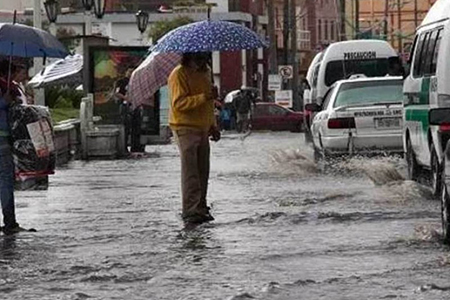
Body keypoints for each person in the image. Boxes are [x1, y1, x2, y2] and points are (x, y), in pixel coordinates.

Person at [168, 52, 220, 224]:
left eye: (205, 58)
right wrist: (204, 96)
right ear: (191, 56)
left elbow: (208, 103)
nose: (203, 62)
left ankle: (201, 205)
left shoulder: (206, 72)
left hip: (203, 127)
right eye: (200, 58)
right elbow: (179, 103)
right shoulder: (179, 74)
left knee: (202, 170)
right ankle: (191, 210)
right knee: (191, 172)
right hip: (184, 127)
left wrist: (213, 124)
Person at [0, 61, 29, 235]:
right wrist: (5, 101)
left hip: (6, 138)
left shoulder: (9, 87)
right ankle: (10, 223)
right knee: (5, 181)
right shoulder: (3, 88)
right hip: (2, 139)